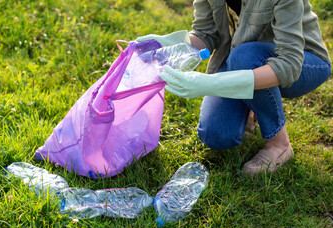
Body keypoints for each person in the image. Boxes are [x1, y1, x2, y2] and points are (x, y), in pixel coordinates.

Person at [136, 0, 331, 175]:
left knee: (244, 57)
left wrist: (210, 83)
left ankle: (279, 144)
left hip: (304, 61)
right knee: (215, 134)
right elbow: (206, 34)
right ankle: (252, 103)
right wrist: (164, 44)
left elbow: (289, 64)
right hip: (241, 57)